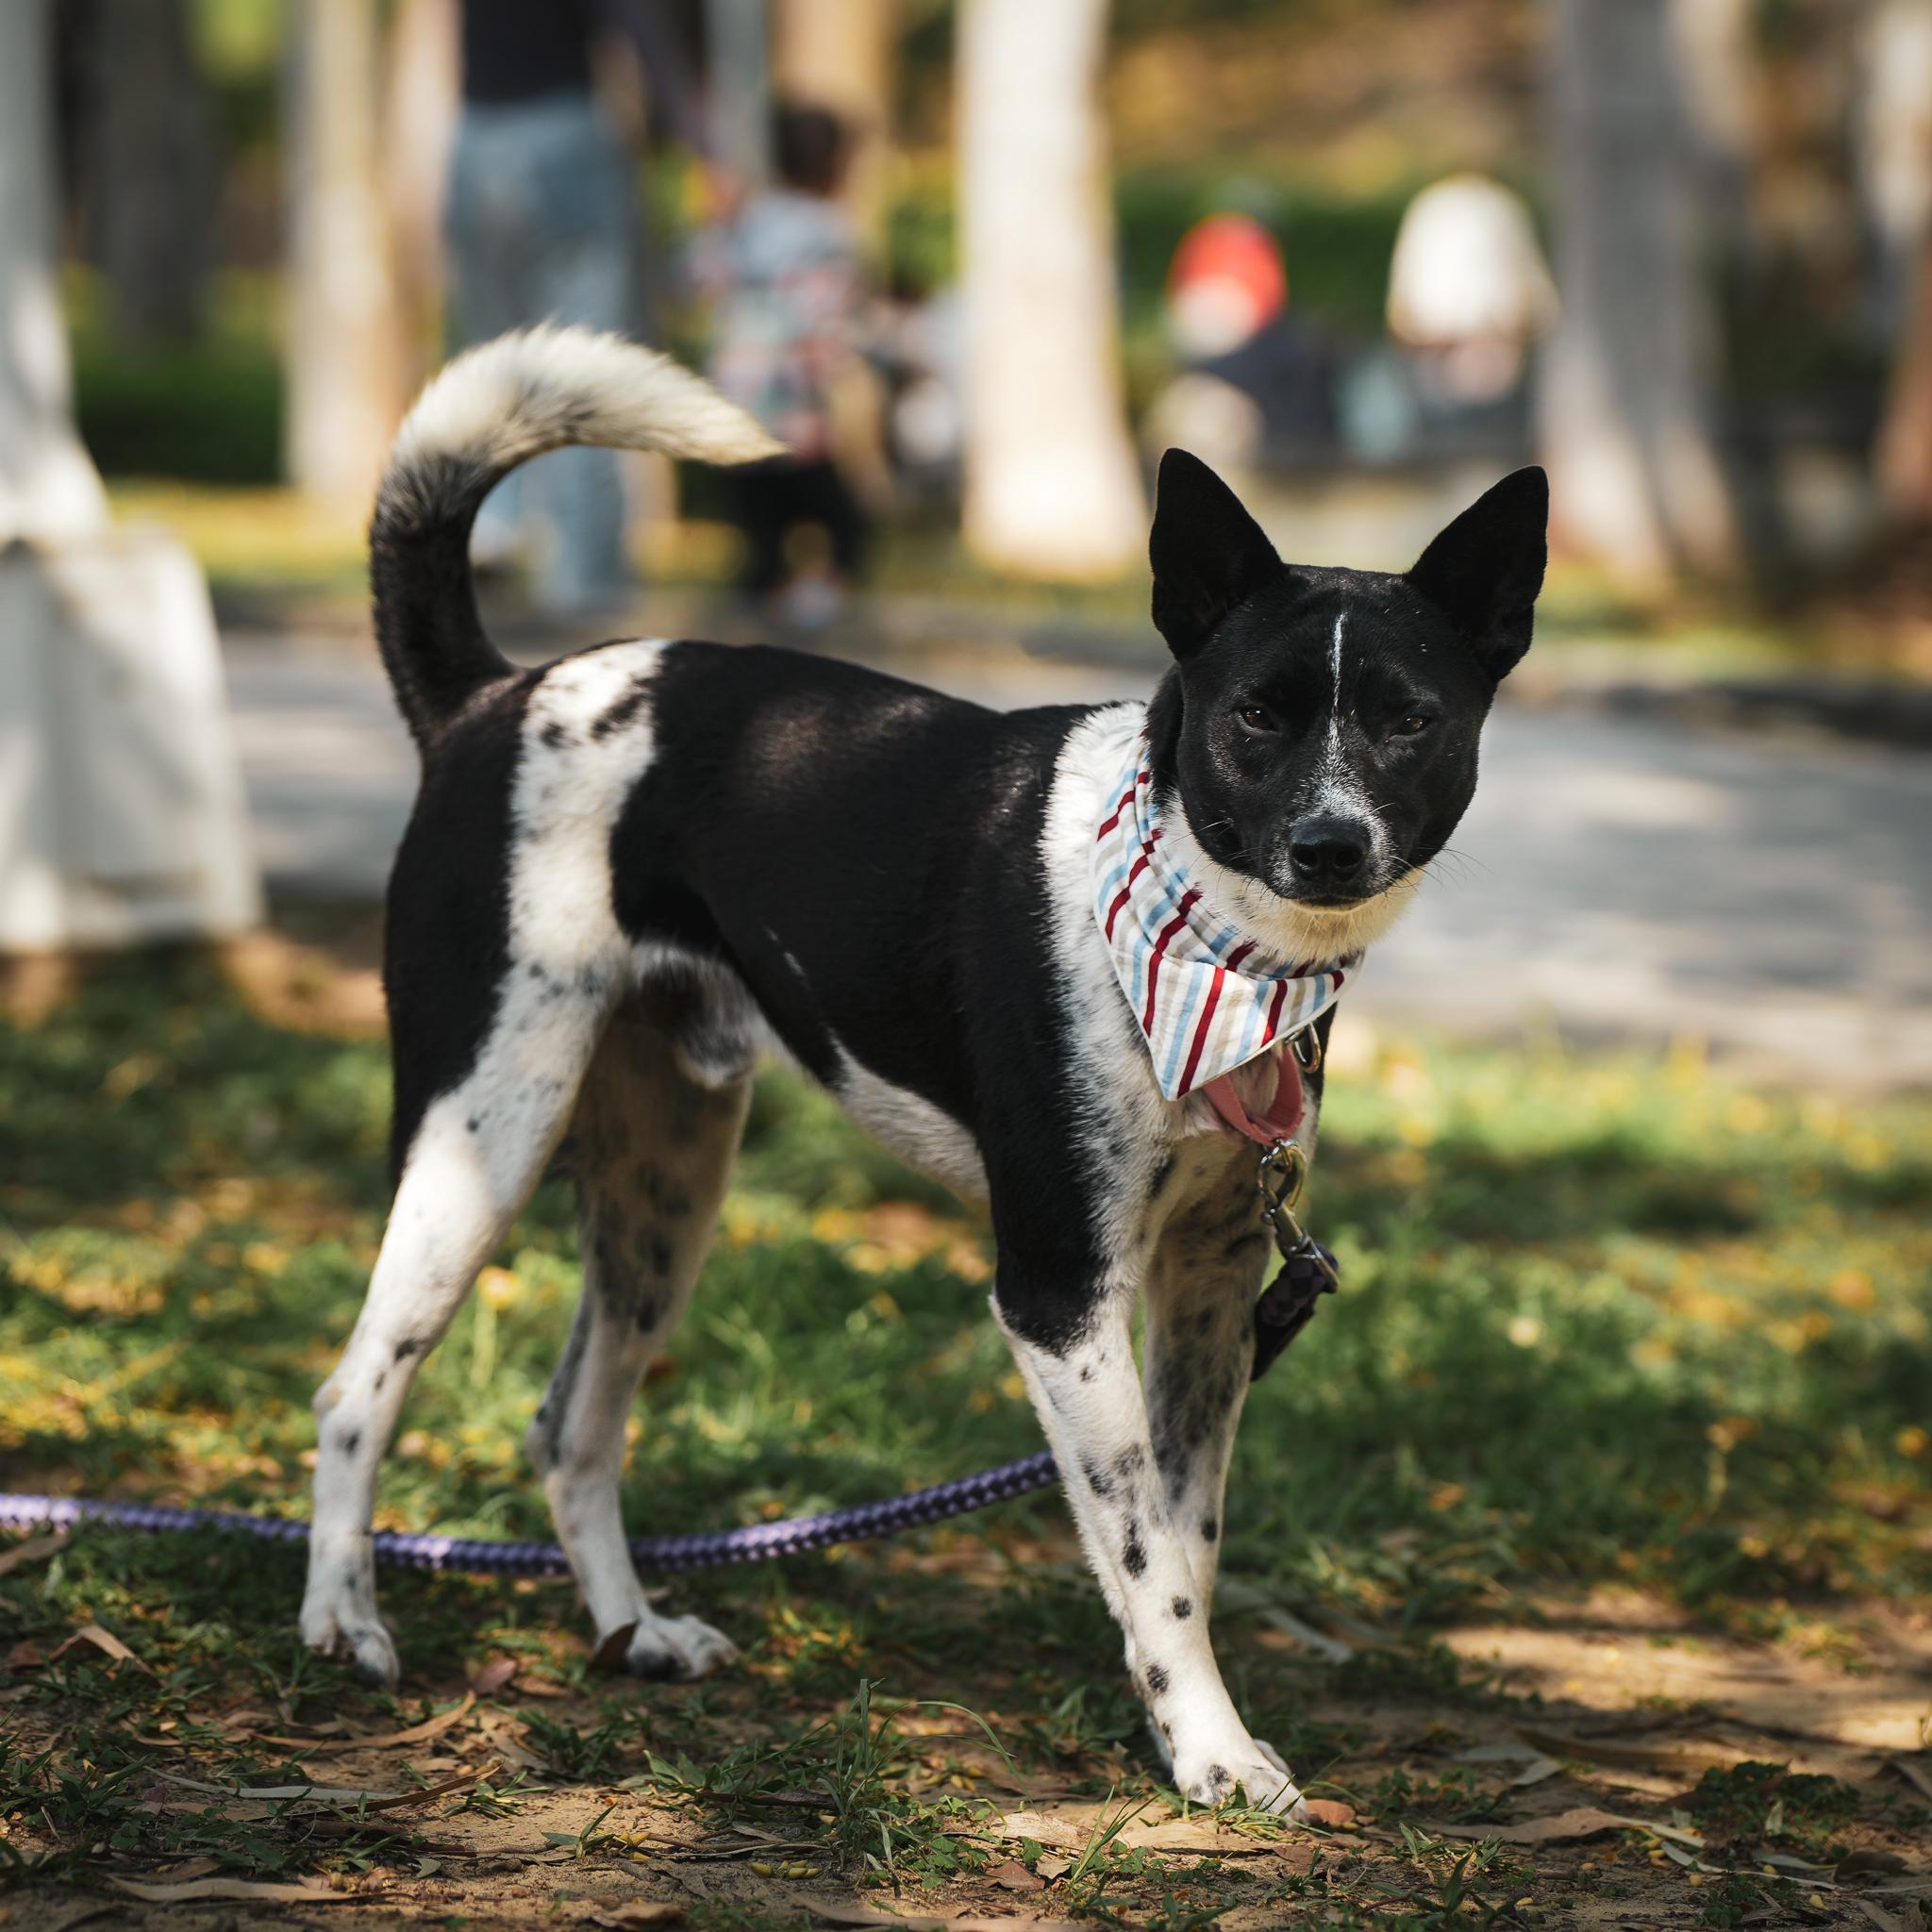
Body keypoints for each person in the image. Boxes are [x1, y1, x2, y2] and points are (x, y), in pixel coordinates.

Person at [445, 0, 709, 615]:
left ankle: (495, 521)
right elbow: (636, 22)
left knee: (492, 347)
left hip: (477, 136)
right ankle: (582, 575)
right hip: (565, 131)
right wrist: (696, 131)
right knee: (582, 357)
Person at [691, 104, 870, 624]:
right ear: (838, 164)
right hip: (792, 409)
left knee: (761, 536)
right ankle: (817, 606)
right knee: (846, 526)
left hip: (734, 407)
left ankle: (756, 625)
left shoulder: (746, 222)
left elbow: (701, 277)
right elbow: (827, 316)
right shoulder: (829, 232)